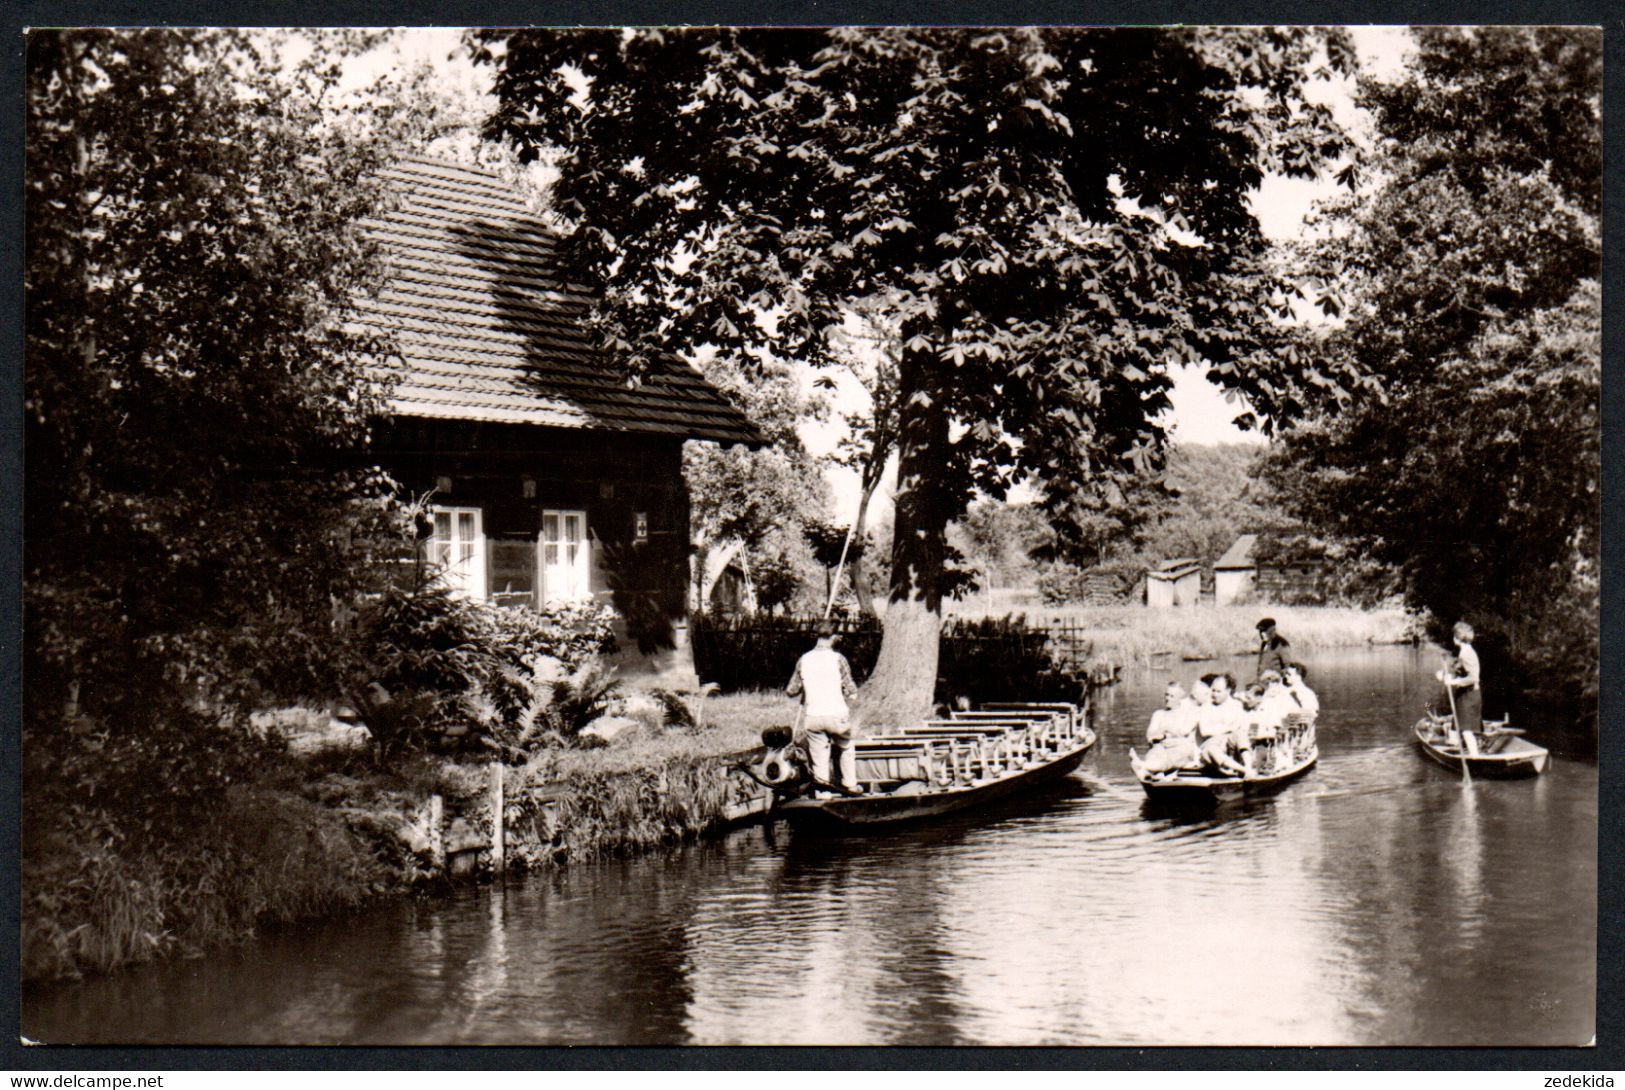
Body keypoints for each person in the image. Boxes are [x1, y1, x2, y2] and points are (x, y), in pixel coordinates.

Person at [786, 620, 860, 795]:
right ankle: (850, 785)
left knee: (819, 756)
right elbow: (852, 691)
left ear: (817, 637)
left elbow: (791, 691)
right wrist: (846, 693)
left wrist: (807, 686)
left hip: (814, 716)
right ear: (833, 637)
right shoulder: (838, 659)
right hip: (836, 715)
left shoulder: (804, 659)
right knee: (846, 746)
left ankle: (823, 794)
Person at [1142, 682, 1201, 777]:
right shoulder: (1158, 714)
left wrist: (1165, 733)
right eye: (1166, 694)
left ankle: (1150, 768)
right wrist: (1165, 736)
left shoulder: (1188, 714)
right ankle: (1152, 768)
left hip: (1181, 750)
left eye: (1172, 696)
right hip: (1161, 747)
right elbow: (1150, 735)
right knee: (1154, 753)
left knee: (1176, 753)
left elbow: (1183, 733)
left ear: (1180, 699)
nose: (1167, 698)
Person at [1198, 672, 1251, 777]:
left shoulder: (1236, 705)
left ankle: (1248, 766)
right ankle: (1244, 770)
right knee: (1211, 750)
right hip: (1212, 743)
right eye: (1213, 690)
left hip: (1231, 744)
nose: (1214, 694)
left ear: (1228, 691)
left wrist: (1219, 728)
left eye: (1218, 691)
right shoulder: (1206, 707)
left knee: (1240, 734)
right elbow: (1205, 731)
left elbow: (1239, 727)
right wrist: (1227, 729)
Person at [1440, 620, 1483, 742]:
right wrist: (1445, 675)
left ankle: (1474, 758)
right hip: (1464, 695)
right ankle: (1453, 743)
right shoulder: (1464, 652)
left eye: (1454, 636)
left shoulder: (1466, 654)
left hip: (1469, 696)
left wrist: (1454, 682)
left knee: (1466, 732)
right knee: (1456, 726)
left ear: (1457, 638)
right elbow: (1458, 671)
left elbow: (1473, 677)